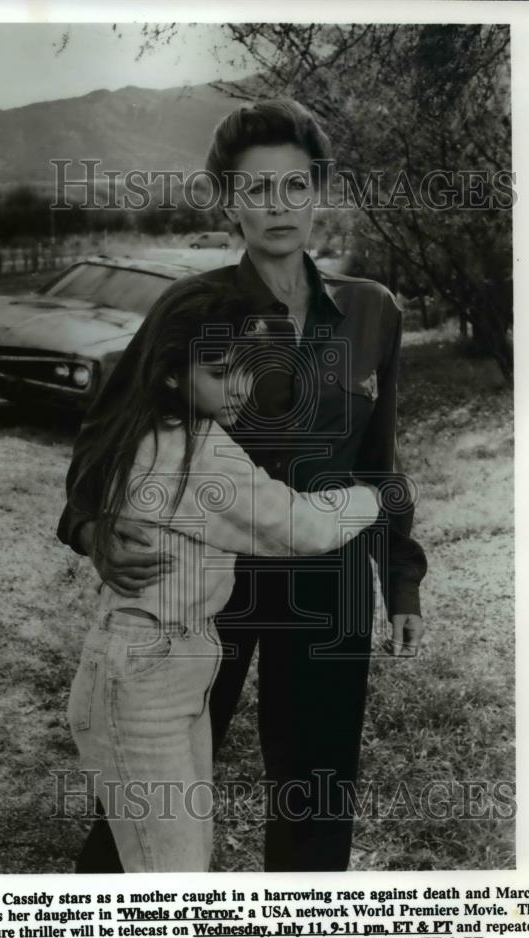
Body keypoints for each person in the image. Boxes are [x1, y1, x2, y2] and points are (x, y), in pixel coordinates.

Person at [57, 96, 428, 872]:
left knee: (317, 792)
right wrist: (92, 532)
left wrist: (400, 580)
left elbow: (378, 463)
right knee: (149, 789)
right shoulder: (195, 311)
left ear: (319, 190)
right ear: (227, 199)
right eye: (256, 190)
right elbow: (105, 437)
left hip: (326, 582)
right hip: (197, 586)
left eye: (295, 186)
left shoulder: (371, 312)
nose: (277, 207)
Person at [66, 287, 382, 872]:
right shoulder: (190, 457)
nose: (239, 387)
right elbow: (302, 527)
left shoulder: (177, 433)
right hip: (145, 676)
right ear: (169, 376)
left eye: (245, 368)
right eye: (218, 371)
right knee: (170, 873)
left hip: (169, 666)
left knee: (177, 861)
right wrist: (371, 497)